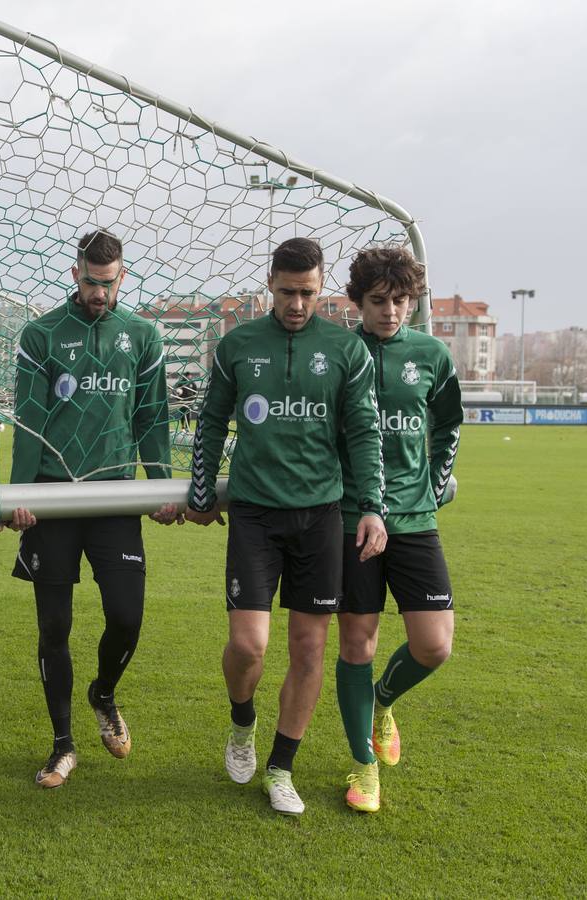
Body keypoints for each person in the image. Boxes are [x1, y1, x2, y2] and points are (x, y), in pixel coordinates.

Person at [185, 237, 386, 816]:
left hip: (321, 517)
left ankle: (281, 767)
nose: (297, 304)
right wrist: (203, 489)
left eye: (308, 293)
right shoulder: (239, 345)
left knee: (308, 648)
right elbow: (211, 421)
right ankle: (242, 722)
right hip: (253, 513)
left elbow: (364, 435)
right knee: (249, 645)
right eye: (287, 292)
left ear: (321, 290)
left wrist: (370, 504)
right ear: (269, 285)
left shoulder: (347, 350)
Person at [7, 229, 178, 789]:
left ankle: (103, 694)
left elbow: (151, 420)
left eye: (108, 282)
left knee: (127, 616)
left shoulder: (143, 336)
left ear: (122, 277)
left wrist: (162, 487)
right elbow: (29, 422)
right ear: (74, 273)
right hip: (52, 500)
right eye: (90, 281)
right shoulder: (40, 335)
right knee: (54, 626)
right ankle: (62, 745)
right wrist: (17, 496)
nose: (98, 292)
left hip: (114, 497)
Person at [334, 247, 461, 814]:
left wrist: (435, 485)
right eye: (379, 301)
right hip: (348, 520)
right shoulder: (339, 352)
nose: (391, 312)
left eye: (401, 301)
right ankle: (363, 766)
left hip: (414, 521)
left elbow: (448, 424)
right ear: (358, 302)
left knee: (434, 646)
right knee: (357, 643)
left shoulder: (431, 353)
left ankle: (383, 702)